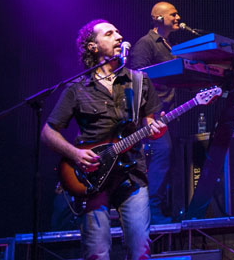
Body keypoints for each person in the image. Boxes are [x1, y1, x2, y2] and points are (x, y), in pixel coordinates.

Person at [41, 19, 166, 260]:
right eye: (109, 34)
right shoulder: (77, 88)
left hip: (132, 175)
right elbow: (48, 132)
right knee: (96, 252)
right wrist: (75, 154)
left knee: (141, 250)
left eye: (118, 32)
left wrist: (156, 129)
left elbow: (150, 123)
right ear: (93, 46)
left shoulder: (139, 81)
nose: (118, 36)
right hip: (92, 177)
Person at [128, 2, 184, 223]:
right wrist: (146, 116)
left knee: (170, 158)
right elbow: (136, 80)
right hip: (151, 116)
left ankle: (164, 208)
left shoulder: (169, 46)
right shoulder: (146, 43)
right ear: (159, 19)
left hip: (168, 114)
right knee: (162, 154)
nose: (178, 17)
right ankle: (151, 211)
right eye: (173, 14)